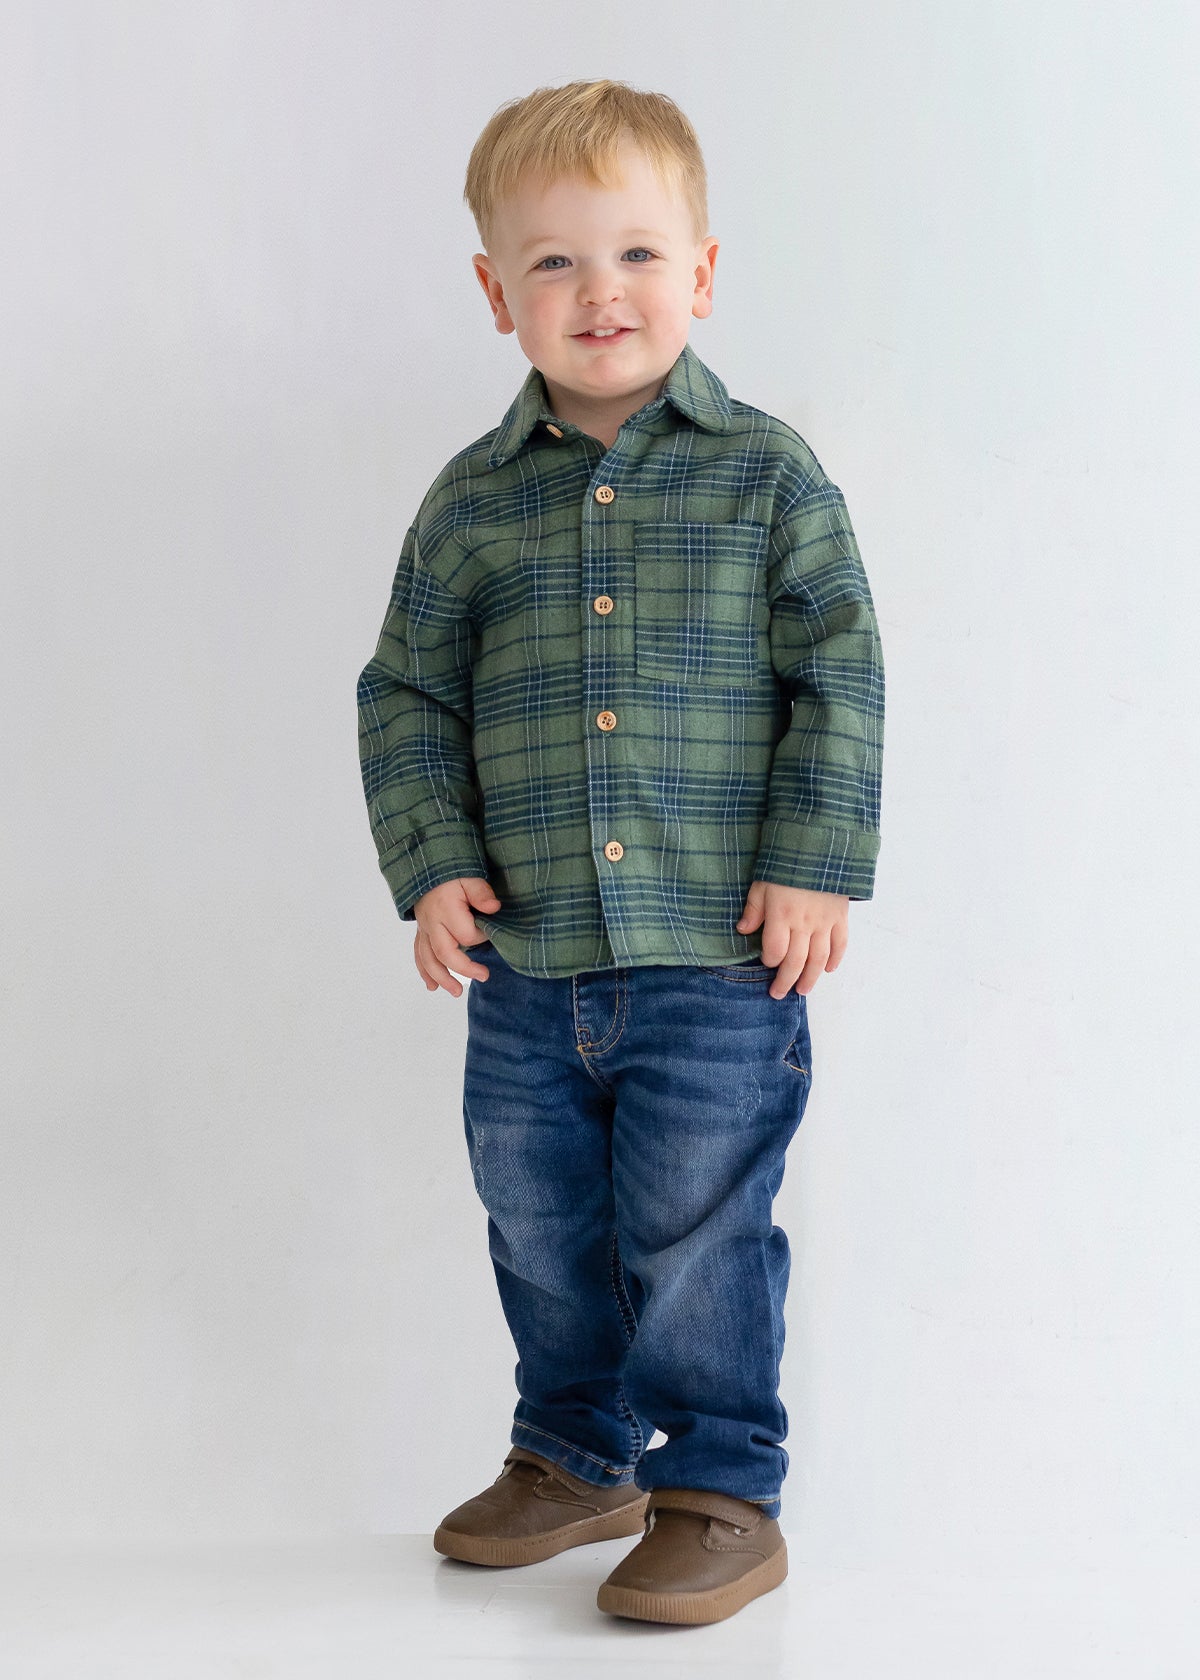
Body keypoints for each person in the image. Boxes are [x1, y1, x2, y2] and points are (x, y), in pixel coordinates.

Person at [355, 78, 885, 1626]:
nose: (603, 293)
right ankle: (577, 1452)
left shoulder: (767, 477)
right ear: (496, 293)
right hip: (528, 965)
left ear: (702, 272)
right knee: (539, 1218)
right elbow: (405, 691)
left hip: (718, 957)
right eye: (557, 263)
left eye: (640, 255)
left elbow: (840, 669)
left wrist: (815, 857)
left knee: (696, 1227)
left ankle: (720, 1487)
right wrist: (432, 860)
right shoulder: (469, 505)